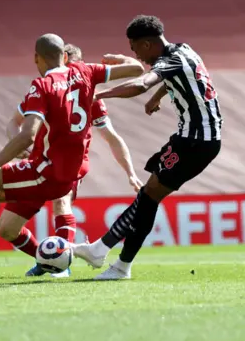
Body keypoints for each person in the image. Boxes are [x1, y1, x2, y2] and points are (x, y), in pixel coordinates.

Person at [0, 33, 144, 280]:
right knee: (5, 226)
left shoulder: (42, 86)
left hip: (49, 172)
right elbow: (138, 68)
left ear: (36, 58)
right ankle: (50, 261)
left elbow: (27, 136)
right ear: (65, 58)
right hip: (46, 166)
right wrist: (119, 58)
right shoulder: (85, 72)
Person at [72, 15, 222, 280]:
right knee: (148, 195)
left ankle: (114, 260)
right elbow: (175, 78)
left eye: (135, 49)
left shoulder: (169, 60)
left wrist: (97, 95)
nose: (137, 57)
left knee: (149, 196)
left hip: (196, 141)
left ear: (147, 44)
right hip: (195, 139)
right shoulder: (184, 50)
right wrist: (157, 96)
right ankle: (105, 252)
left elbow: (141, 83)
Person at [0, 43, 142, 279]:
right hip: (36, 166)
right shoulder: (45, 89)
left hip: (67, 166)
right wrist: (18, 145)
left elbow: (112, 138)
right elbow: (14, 122)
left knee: (60, 202)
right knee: (6, 228)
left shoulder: (90, 97)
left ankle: (60, 265)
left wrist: (130, 173)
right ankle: (48, 260)